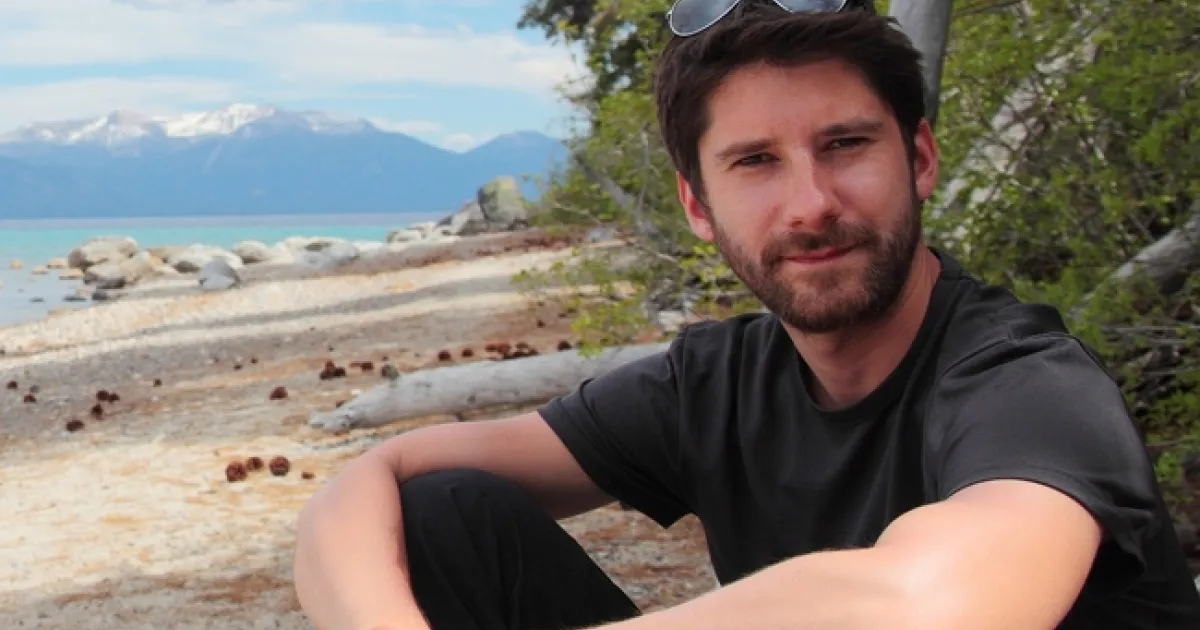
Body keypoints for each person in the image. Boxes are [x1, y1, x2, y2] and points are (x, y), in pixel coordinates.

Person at [292, 1, 1200, 628]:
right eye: (756, 161)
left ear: (919, 158)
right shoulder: (718, 383)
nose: (811, 204)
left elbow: (925, 603)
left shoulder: (1029, 384)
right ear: (698, 204)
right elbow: (374, 480)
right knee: (439, 515)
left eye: (846, 144)